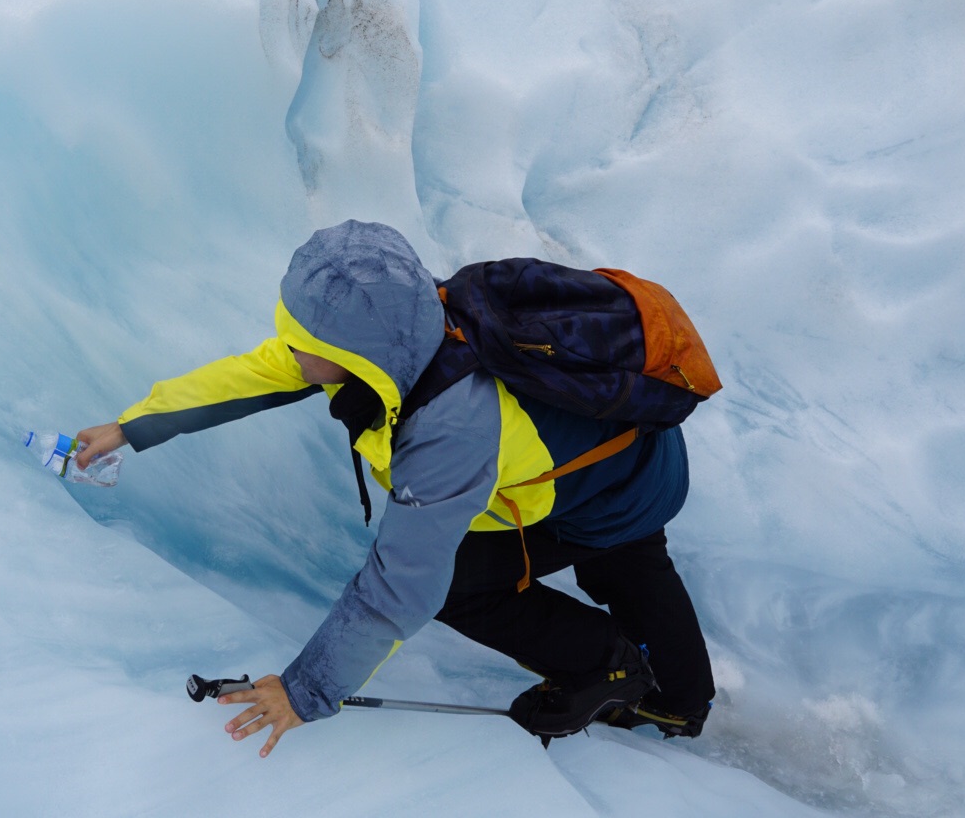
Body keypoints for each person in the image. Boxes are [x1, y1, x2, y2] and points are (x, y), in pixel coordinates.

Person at [75, 220, 715, 756]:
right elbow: (260, 373)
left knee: (570, 568)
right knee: (608, 568)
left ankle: (636, 681)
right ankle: (650, 675)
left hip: (620, 486)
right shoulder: (402, 332)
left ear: (352, 353)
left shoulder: (450, 429)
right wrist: (132, 428)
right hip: (580, 461)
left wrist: (306, 691)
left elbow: (400, 585)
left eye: (302, 342)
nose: (290, 354)